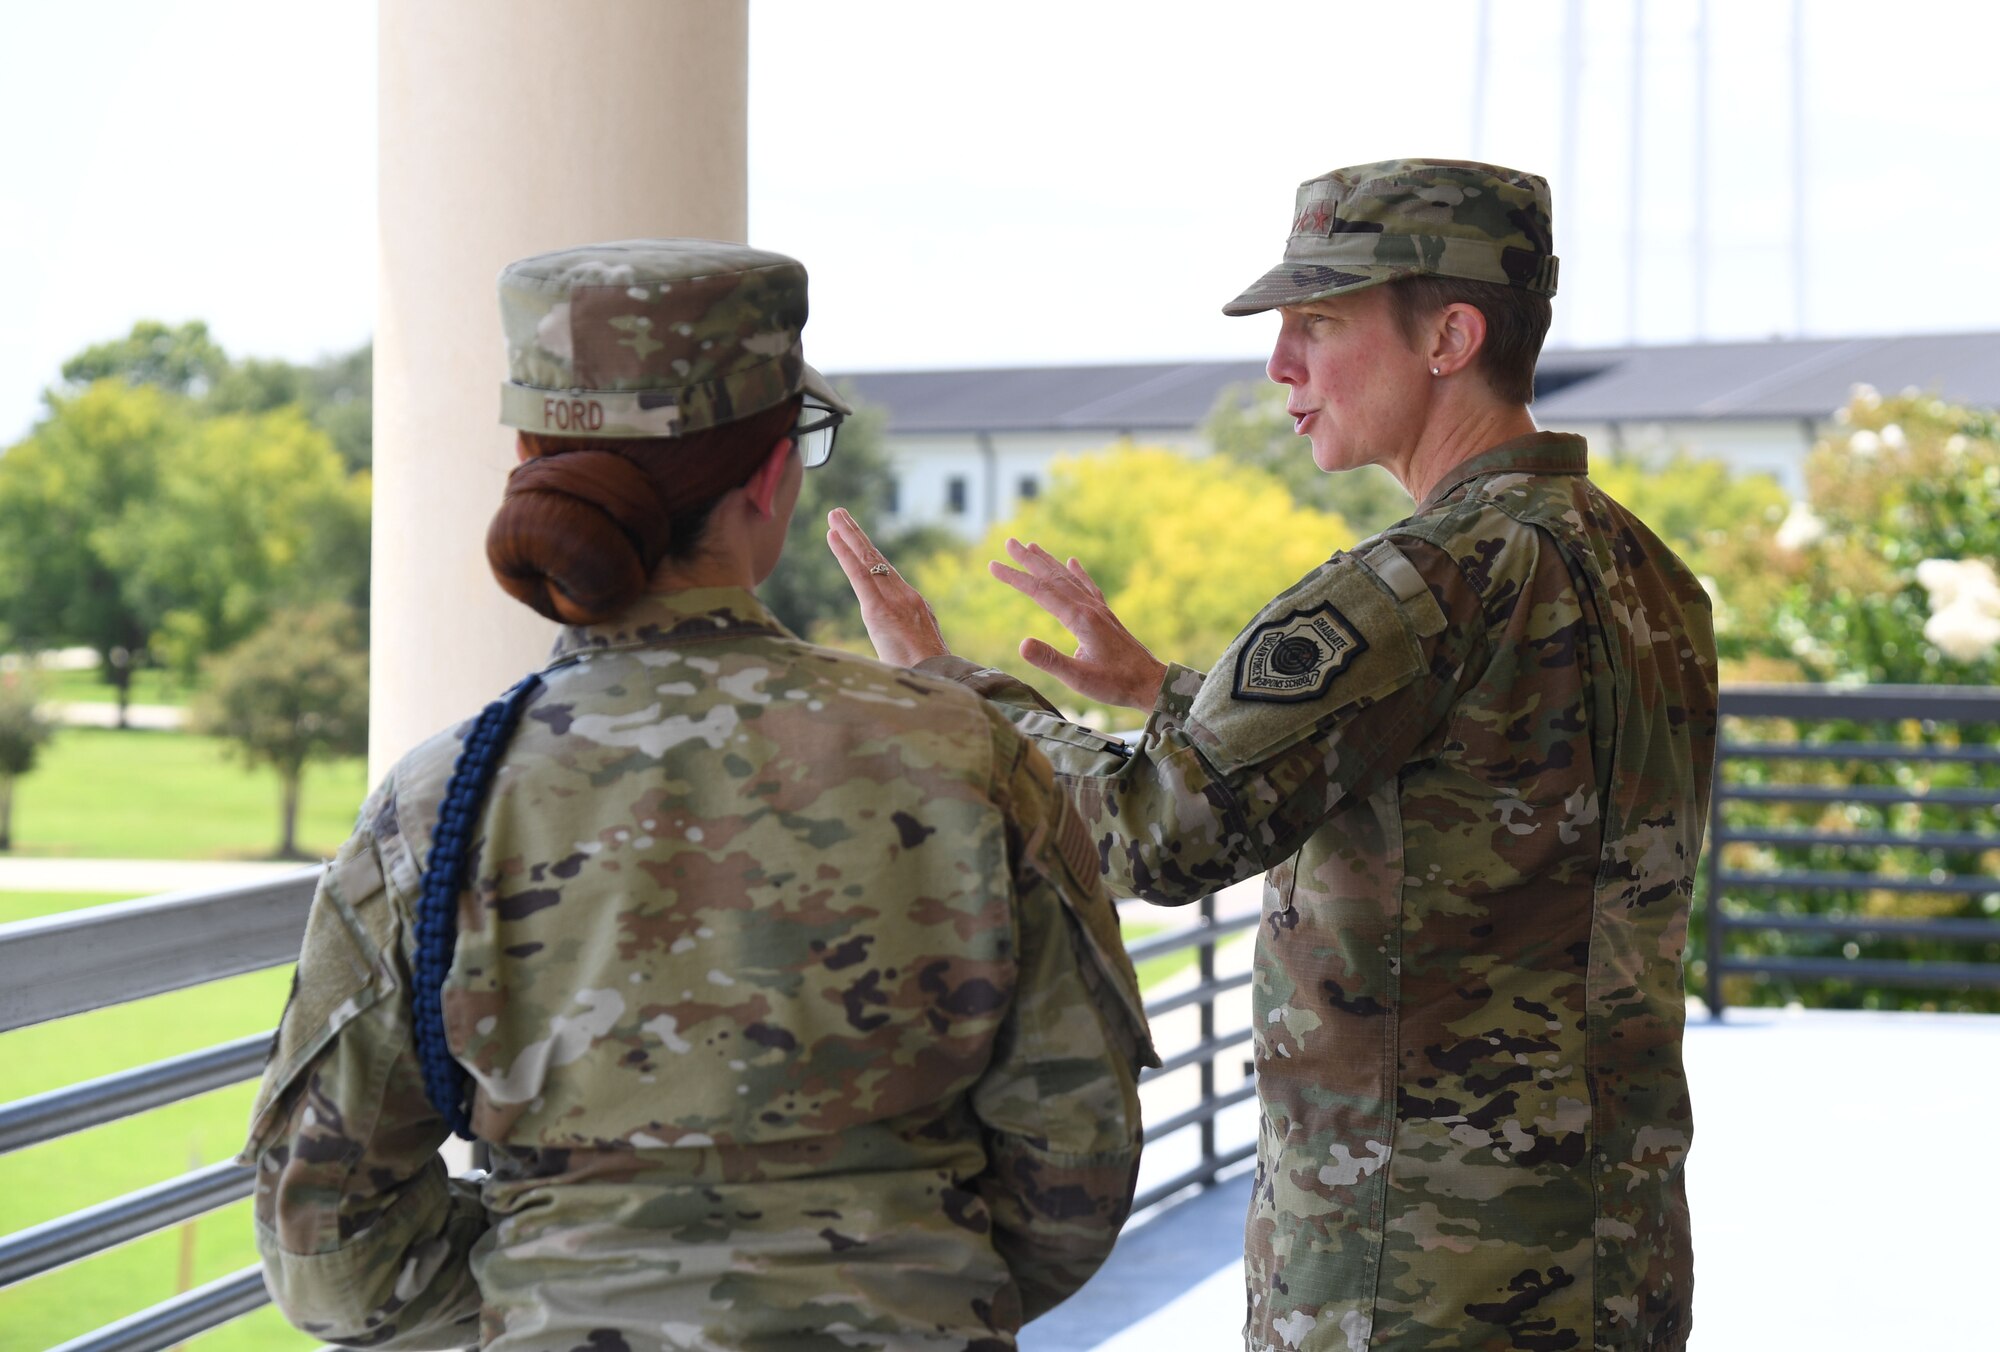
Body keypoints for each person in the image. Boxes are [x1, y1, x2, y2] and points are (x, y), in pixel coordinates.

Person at [828, 160, 1718, 1351]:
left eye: (1316, 325)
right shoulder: (1644, 571)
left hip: (1412, 1279)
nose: (1277, 366)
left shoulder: (1414, 584)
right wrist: (1166, 693)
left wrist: (949, 689)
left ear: (1449, 335)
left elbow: (1151, 832)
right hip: (1613, 1255)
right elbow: (1468, 782)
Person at [241, 239, 1155, 1352]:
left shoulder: (439, 802)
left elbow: (330, 1246)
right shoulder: (968, 759)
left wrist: (564, 1284)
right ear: (772, 476)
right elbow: (1073, 1171)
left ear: (530, 454)